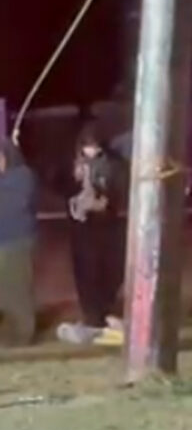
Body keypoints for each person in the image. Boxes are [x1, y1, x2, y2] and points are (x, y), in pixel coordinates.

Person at [66, 129, 127, 327]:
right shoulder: (73, 164)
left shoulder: (114, 165)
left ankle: (106, 308)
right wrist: (74, 183)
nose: (91, 152)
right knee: (86, 272)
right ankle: (91, 314)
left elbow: (122, 188)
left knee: (111, 269)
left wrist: (106, 203)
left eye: (95, 147)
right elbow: (60, 186)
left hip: (108, 226)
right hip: (83, 229)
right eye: (87, 147)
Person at [0, 142, 38, 344]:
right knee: (4, 288)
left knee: (19, 287)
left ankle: (25, 331)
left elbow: (20, 203)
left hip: (17, 239)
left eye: (1, 157)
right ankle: (12, 327)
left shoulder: (24, 175)